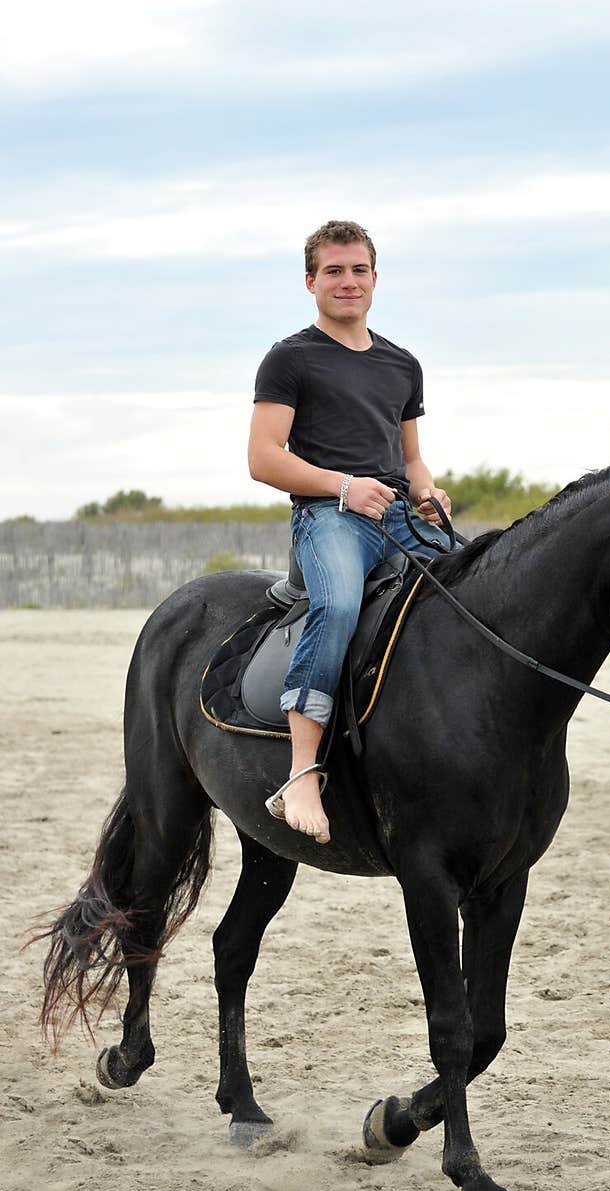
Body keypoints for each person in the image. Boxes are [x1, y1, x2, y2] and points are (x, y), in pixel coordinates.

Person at [247, 219, 454, 845]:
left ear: (374, 278)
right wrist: (341, 487)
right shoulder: (291, 358)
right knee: (336, 605)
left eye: (358, 270)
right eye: (333, 271)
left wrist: (425, 489)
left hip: (397, 515)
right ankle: (303, 770)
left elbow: (410, 456)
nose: (347, 281)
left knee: (477, 591)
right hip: (329, 516)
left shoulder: (402, 364)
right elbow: (263, 457)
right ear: (311, 282)